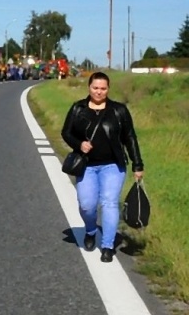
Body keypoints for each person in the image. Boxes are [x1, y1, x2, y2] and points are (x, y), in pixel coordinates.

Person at [61, 72, 145, 263]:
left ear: (108, 89)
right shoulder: (78, 109)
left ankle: (107, 245)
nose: (99, 92)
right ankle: (90, 230)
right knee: (87, 205)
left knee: (109, 203)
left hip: (113, 166)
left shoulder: (118, 111)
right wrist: (79, 144)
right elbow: (66, 132)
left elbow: (130, 138)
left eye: (103, 88)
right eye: (95, 88)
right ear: (89, 88)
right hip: (87, 166)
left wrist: (137, 164)